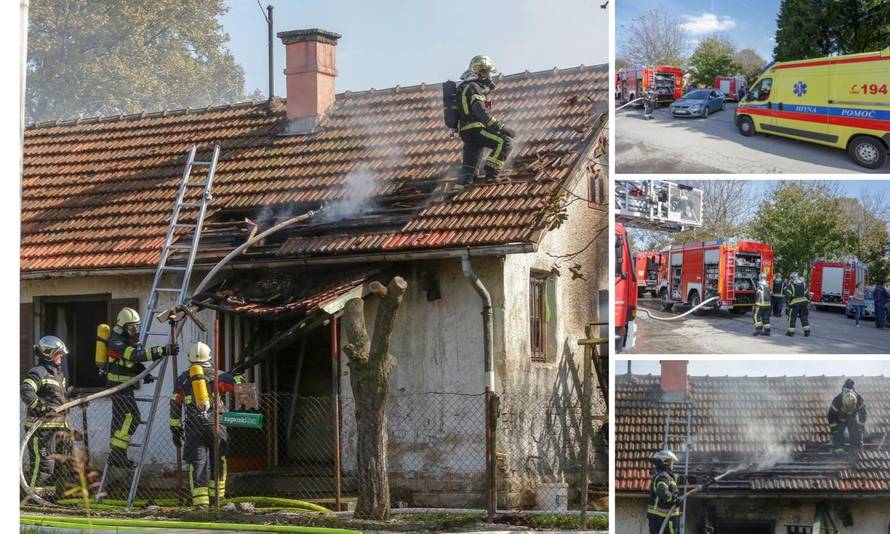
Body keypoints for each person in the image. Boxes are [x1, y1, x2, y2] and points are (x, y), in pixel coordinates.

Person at [170, 342, 245, 507]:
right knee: (219, 460)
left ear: (190, 359)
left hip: (193, 425)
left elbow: (175, 403)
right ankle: (217, 499)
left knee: (197, 462)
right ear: (209, 357)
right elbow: (239, 385)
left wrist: (175, 427)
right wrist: (238, 374)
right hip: (216, 425)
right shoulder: (218, 376)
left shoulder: (183, 379)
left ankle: (200, 503)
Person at [106, 307, 179, 468]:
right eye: (132, 326)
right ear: (123, 325)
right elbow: (133, 356)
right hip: (118, 386)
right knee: (133, 417)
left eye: (137, 326)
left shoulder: (124, 339)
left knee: (120, 420)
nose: (135, 330)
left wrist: (144, 374)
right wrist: (162, 350)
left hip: (124, 385)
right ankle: (117, 453)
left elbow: (132, 362)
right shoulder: (115, 341)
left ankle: (117, 454)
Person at [21, 336, 71, 500]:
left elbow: (58, 398)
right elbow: (26, 390)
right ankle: (35, 498)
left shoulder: (58, 374)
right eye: (59, 353)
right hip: (40, 429)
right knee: (43, 464)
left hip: (57, 428)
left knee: (56, 466)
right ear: (48, 354)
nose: (61, 356)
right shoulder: (39, 372)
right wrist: (40, 405)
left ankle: (48, 499)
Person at [455, 55, 515, 187]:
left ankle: (461, 186)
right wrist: (501, 127)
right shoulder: (474, 87)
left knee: (469, 168)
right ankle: (492, 174)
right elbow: (480, 111)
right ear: (481, 73)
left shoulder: (463, 87)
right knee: (504, 142)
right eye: (488, 73)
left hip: (466, 133)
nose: (489, 77)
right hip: (476, 129)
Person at [647, 449, 682, 534]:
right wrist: (674, 499)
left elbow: (681, 479)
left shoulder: (667, 476)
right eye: (671, 461)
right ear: (666, 462)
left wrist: (701, 480)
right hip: (664, 519)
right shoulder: (663, 477)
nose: (672, 464)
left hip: (663, 518)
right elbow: (662, 492)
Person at [828, 379, 867, 454]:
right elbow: (831, 415)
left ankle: (856, 450)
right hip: (840, 418)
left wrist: (861, 427)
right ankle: (838, 449)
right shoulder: (838, 400)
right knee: (838, 432)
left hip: (852, 418)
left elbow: (863, 414)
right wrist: (834, 429)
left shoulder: (859, 399)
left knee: (856, 432)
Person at [784, 272, 811, 337]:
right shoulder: (803, 284)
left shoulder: (790, 286)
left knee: (792, 318)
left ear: (792, 278)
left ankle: (790, 332)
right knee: (804, 317)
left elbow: (788, 297)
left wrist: (787, 305)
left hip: (794, 304)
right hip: (804, 303)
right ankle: (807, 332)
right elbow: (807, 295)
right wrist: (807, 302)